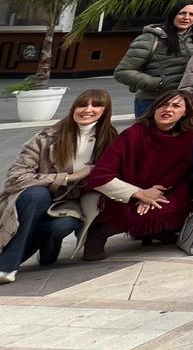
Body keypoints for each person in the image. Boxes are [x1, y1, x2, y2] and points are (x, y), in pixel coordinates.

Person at [0, 90, 117, 281]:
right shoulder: (47, 137)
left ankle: (49, 242)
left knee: (63, 225)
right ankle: (6, 266)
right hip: (30, 197)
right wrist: (68, 178)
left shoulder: (109, 140)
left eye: (96, 105)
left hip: (67, 203)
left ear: (105, 110)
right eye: (82, 105)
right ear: (73, 108)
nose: (87, 110)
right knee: (38, 195)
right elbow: (15, 177)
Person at [82, 89, 193, 259]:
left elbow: (181, 166)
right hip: (126, 190)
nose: (168, 109)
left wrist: (157, 190)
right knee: (133, 213)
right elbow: (101, 175)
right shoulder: (133, 134)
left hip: (159, 188)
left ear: (185, 112)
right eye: (163, 104)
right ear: (154, 108)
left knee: (175, 205)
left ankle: (155, 230)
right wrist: (139, 194)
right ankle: (100, 233)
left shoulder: (187, 135)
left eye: (176, 106)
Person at [115, 2, 193, 117]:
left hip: (183, 102)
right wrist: (159, 83)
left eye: (191, 14)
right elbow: (122, 72)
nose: (186, 17)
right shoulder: (150, 38)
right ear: (172, 15)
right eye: (182, 13)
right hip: (153, 101)